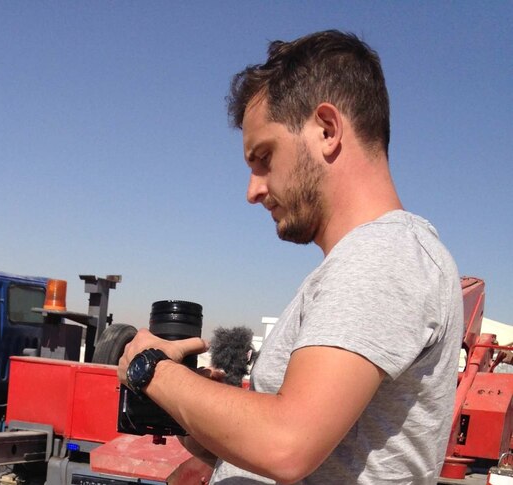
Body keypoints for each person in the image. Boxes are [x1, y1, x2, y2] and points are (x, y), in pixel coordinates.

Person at [118, 30, 462, 484]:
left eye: (264, 157)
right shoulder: (364, 260)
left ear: (327, 129)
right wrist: (206, 417)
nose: (253, 190)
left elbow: (285, 444)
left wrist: (149, 368)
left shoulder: (385, 254)